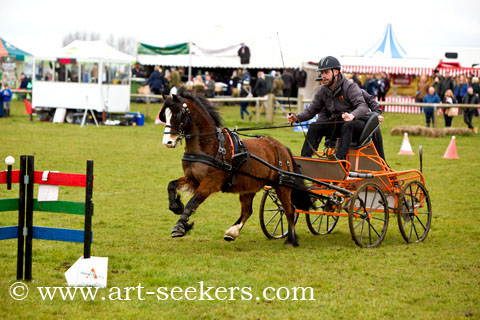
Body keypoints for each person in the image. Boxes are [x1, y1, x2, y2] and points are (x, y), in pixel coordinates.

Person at [287, 56, 368, 161]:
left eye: (326, 73)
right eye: (322, 73)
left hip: (356, 123)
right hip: (337, 123)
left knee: (348, 125)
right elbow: (312, 110)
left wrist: (352, 115)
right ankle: (304, 159)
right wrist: (297, 118)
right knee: (314, 126)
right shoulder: (322, 90)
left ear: (336, 72)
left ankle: (339, 160)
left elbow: (363, 106)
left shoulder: (350, 87)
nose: (323, 76)